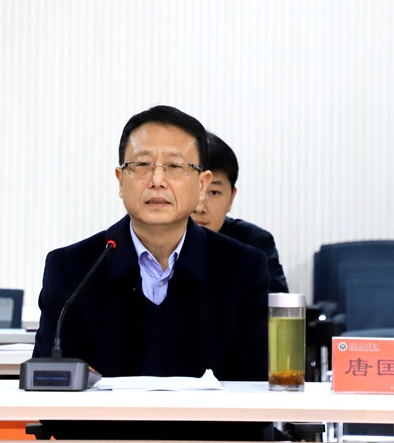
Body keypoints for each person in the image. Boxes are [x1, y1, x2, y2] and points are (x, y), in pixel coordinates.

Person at [33, 106, 272, 441]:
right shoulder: (73, 268)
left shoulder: (242, 267)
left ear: (202, 184)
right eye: (142, 165)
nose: (157, 180)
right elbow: (50, 395)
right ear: (120, 180)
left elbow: (256, 395)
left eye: (175, 166)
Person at [191, 132, 289, 293]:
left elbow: (276, 306)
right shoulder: (150, 240)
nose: (199, 207)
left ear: (231, 198)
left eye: (214, 192)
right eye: (193, 190)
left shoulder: (254, 244)